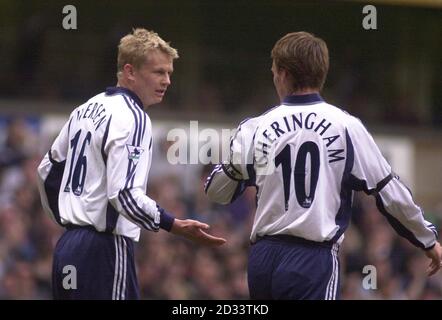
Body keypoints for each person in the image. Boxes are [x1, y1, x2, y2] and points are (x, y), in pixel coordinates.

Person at [205, 31, 441, 300]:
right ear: (322, 74)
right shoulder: (347, 127)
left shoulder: (255, 127)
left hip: (262, 259)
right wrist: (427, 239)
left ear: (282, 73)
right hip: (312, 259)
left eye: (273, 72)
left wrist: (237, 166)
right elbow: (390, 193)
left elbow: (215, 192)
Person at [36, 28, 226, 300]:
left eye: (169, 73)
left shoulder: (85, 109)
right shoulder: (133, 116)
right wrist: (173, 224)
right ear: (130, 71)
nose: (167, 81)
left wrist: (68, 218)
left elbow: (47, 171)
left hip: (67, 247)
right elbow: (123, 194)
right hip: (103, 249)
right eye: (159, 72)